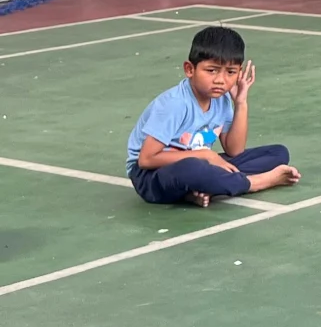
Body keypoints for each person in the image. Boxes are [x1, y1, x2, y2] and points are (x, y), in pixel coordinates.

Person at [127, 26, 299, 206]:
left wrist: (241, 103)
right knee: (193, 168)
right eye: (211, 70)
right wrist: (205, 155)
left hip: (199, 164)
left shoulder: (221, 99)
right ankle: (255, 183)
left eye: (230, 72)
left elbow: (234, 150)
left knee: (278, 153)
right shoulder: (175, 104)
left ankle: (199, 190)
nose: (220, 80)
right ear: (189, 69)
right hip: (151, 176)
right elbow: (146, 160)